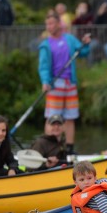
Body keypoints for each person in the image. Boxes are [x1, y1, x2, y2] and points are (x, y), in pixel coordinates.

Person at [38, 13, 89, 155]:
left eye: (52, 24)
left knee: (70, 117)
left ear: (59, 24)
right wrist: (45, 82)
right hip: (55, 84)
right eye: (47, 24)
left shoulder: (70, 39)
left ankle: (69, 149)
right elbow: (43, 67)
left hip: (70, 83)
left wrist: (86, 42)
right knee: (52, 118)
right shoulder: (45, 45)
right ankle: (48, 148)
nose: (49, 27)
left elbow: (83, 52)